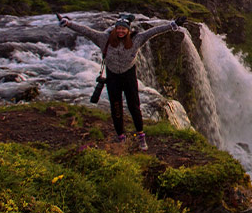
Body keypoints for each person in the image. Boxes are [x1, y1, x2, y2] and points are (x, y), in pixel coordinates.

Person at [59, 13, 187, 150]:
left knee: (134, 107)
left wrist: (173, 25)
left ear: (128, 30)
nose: (120, 31)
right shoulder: (103, 39)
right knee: (116, 107)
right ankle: (121, 137)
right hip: (112, 76)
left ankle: (141, 136)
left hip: (129, 75)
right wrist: (68, 24)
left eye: (123, 29)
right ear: (115, 29)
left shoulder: (137, 39)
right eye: (118, 28)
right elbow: (86, 31)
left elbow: (153, 31)